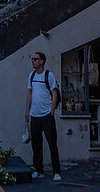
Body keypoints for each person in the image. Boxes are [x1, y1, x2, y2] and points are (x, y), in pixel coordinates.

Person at [25, 51, 62, 182]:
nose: (33, 61)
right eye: (32, 59)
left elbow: (54, 92)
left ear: (41, 61)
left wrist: (52, 111)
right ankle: (39, 170)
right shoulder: (31, 76)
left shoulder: (49, 75)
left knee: (52, 143)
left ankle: (56, 171)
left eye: (35, 59)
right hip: (34, 115)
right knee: (36, 144)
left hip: (46, 115)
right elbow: (30, 93)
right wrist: (27, 111)